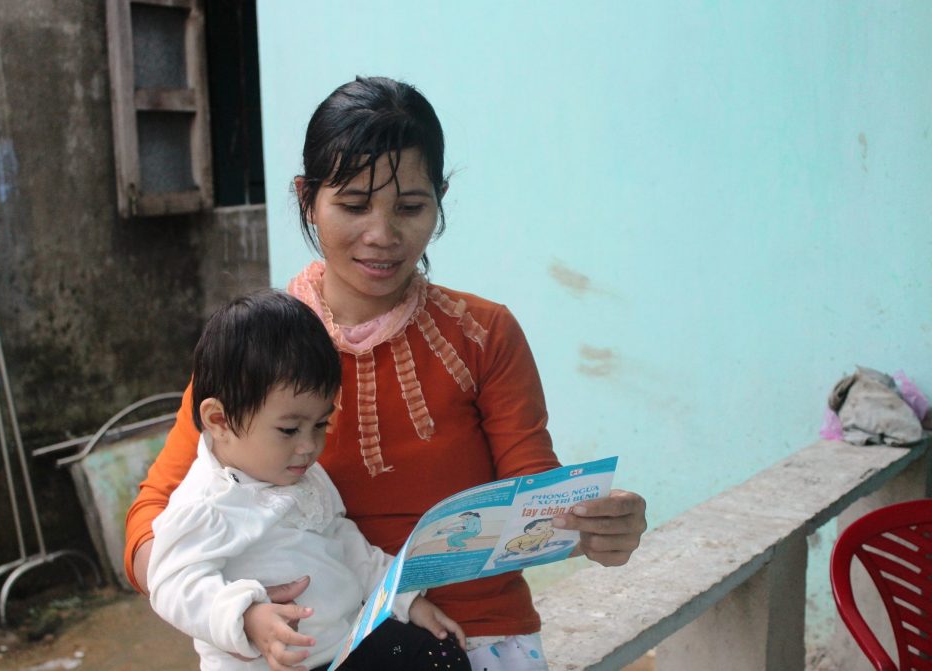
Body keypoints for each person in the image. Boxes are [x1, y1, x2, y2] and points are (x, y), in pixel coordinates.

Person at [126, 75, 648, 671]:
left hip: (471, 633)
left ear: (440, 199)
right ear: (306, 198)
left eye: (410, 207)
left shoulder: (484, 334)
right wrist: (235, 608)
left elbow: (534, 497)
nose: (382, 236)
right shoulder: (253, 353)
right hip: (304, 647)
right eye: (352, 205)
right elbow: (150, 525)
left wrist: (593, 525)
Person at [147, 290, 469, 671]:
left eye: (320, 425)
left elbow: (346, 543)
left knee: (438, 654)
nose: (309, 446)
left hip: (347, 644)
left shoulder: (303, 474)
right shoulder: (206, 504)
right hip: (277, 665)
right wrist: (245, 616)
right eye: (288, 430)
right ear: (219, 421)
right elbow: (172, 586)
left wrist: (405, 599)